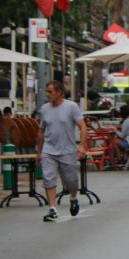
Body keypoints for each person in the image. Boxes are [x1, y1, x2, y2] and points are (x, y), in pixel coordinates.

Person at [36, 80, 88, 222]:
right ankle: (52, 209)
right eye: (46, 92)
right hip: (49, 150)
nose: (47, 95)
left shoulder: (71, 107)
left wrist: (82, 146)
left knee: (71, 181)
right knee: (48, 178)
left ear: (59, 92)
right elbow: (41, 131)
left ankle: (73, 198)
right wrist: (39, 152)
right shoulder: (45, 109)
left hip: (67, 150)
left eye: (50, 92)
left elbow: (83, 126)